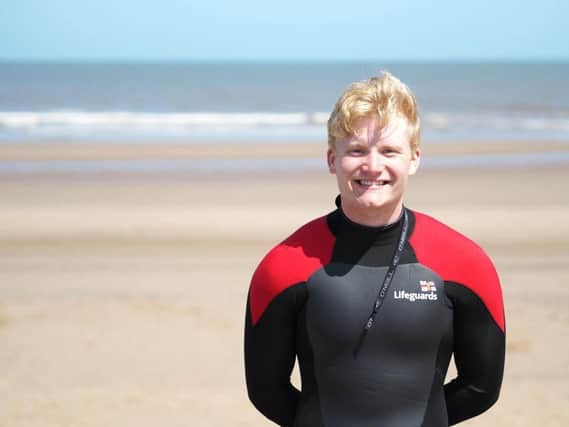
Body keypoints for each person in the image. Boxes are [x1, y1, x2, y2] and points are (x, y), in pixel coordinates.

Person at [244, 72, 505, 427]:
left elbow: (481, 387)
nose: (372, 166)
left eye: (389, 151)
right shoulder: (283, 267)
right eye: (356, 150)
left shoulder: (464, 264)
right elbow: (266, 390)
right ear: (332, 160)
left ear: (413, 159)